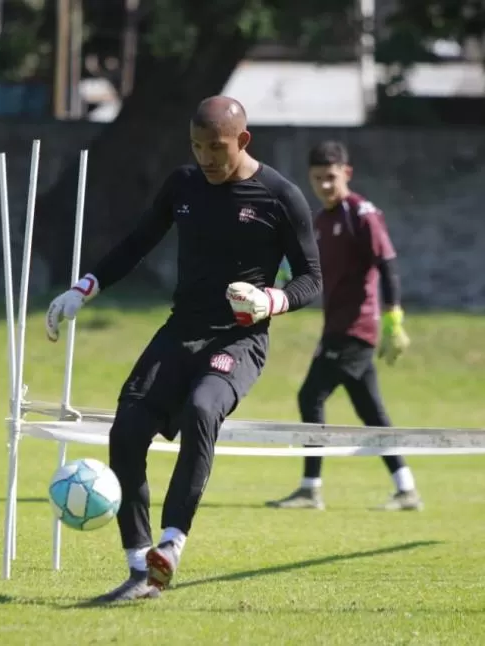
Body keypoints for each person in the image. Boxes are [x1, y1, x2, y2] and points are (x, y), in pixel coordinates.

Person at [45, 96, 322, 603]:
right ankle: (140, 568)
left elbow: (311, 279)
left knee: (201, 408)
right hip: (181, 331)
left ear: (242, 140)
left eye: (216, 147)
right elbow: (136, 243)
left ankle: (172, 543)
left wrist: (270, 300)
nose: (206, 158)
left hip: (239, 339)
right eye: (196, 147)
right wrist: (83, 289)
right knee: (127, 429)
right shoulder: (183, 185)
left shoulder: (280, 196)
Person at [265, 140, 423, 512]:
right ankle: (406, 489)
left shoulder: (361, 214)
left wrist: (393, 321)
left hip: (355, 329)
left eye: (331, 177)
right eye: (317, 178)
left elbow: (387, 266)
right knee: (371, 412)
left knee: (310, 397)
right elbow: (308, 269)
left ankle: (310, 489)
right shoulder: (321, 221)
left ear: (346, 174)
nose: (324, 185)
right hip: (335, 327)